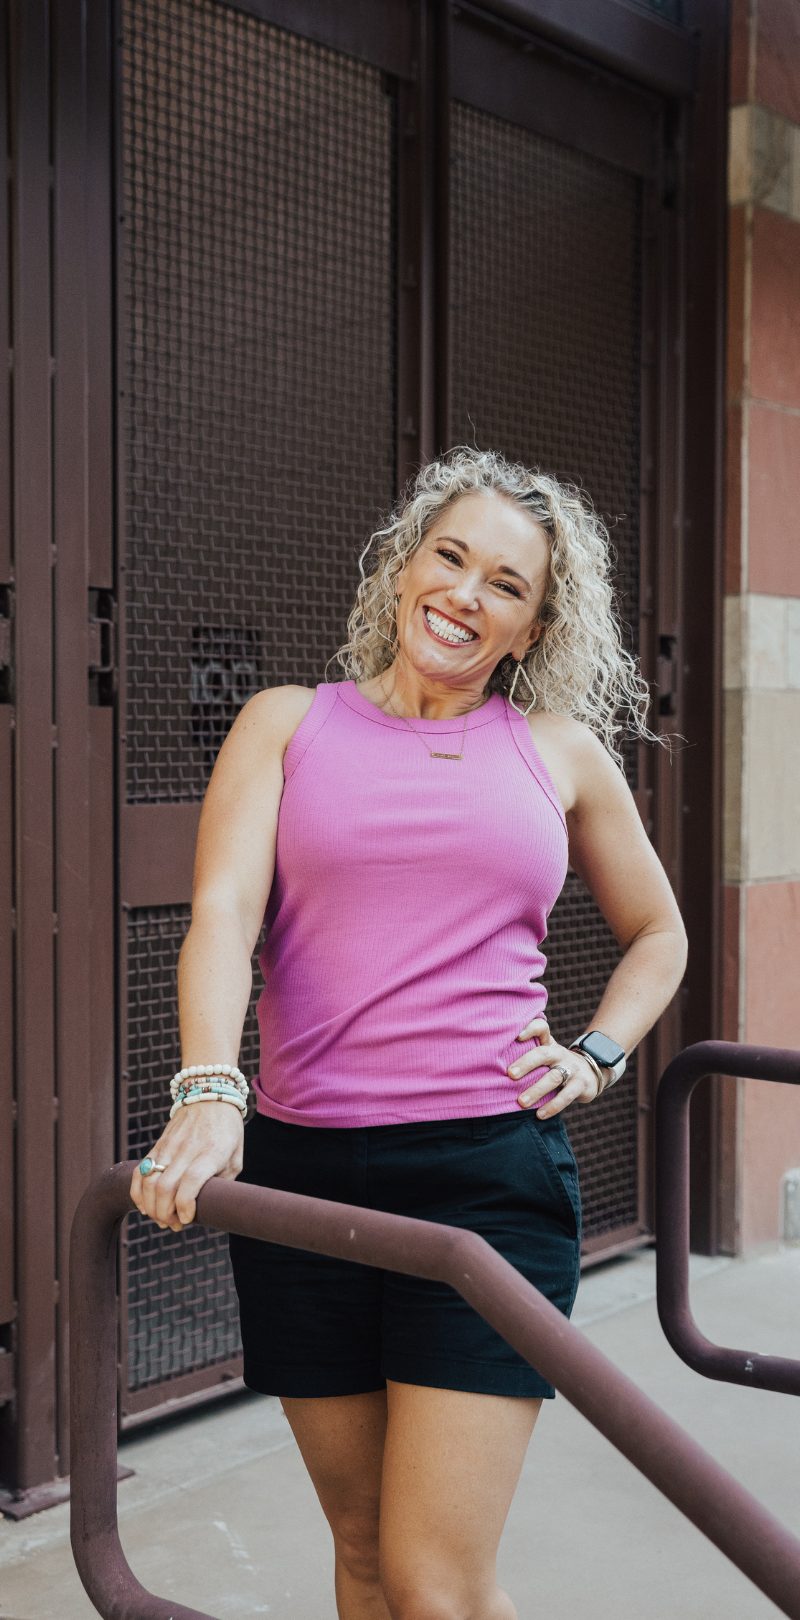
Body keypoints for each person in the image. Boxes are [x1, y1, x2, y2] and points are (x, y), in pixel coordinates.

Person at [132, 449, 687, 1620]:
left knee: (437, 1583)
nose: (465, 594)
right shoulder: (285, 724)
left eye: (506, 583)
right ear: (403, 565)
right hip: (302, 1177)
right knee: (365, 1551)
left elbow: (657, 935)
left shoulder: (558, 755)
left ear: (532, 625)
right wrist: (208, 1087)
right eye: (450, 557)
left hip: (486, 1177)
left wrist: (594, 1057)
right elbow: (225, 913)